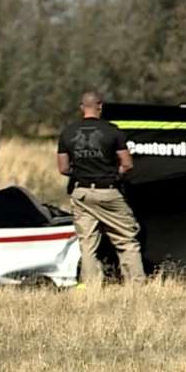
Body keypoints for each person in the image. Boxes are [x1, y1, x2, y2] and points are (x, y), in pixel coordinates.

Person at [57, 90, 146, 286]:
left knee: (87, 244)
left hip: (81, 193)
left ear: (81, 108)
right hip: (108, 191)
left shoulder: (68, 132)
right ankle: (136, 285)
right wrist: (114, 175)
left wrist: (81, 174)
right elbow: (127, 164)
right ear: (100, 106)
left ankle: (91, 288)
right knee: (126, 239)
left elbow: (63, 168)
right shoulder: (113, 131)